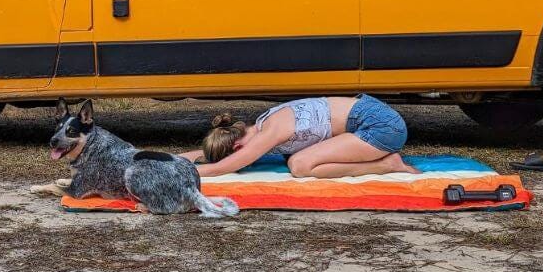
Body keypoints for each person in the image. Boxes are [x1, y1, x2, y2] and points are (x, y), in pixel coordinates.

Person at [179, 95, 420, 178]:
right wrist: (164, 160)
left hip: (381, 127)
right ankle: (385, 161)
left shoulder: (272, 129)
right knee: (297, 161)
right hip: (369, 121)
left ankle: (386, 164)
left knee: (300, 164)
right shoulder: (258, 129)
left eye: (244, 160)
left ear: (238, 146)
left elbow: (220, 167)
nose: (249, 162)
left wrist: (186, 173)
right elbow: (205, 156)